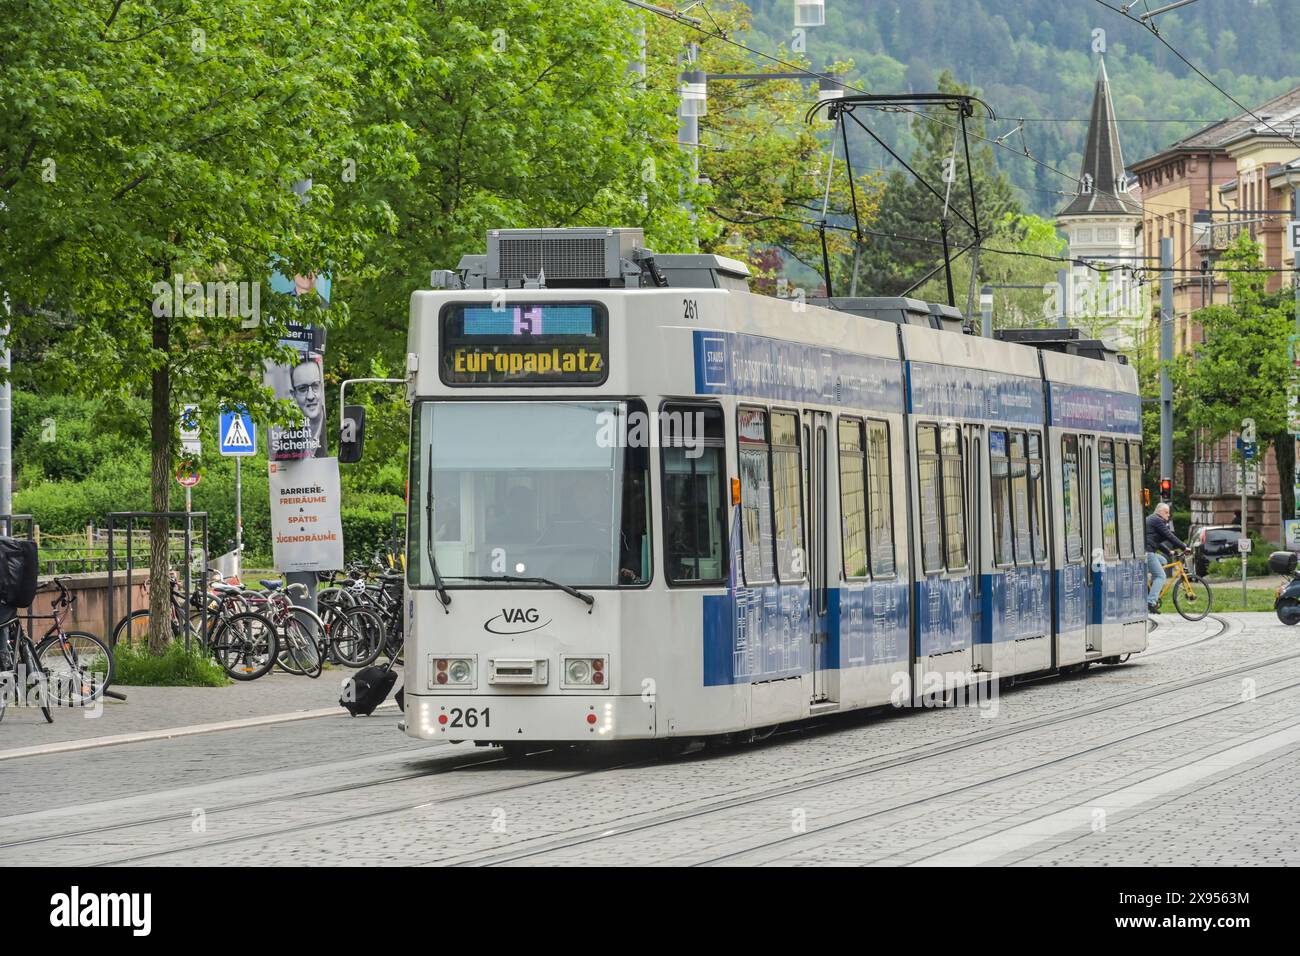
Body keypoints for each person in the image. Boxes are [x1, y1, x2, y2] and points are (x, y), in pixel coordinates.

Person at [1145, 502, 1187, 614]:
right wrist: (1184, 547)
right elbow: (1169, 536)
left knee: (1163, 561)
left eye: (1169, 512)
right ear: (1159, 512)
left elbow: (1156, 542)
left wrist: (1169, 552)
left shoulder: (1153, 520)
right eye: (1166, 512)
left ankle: (1151, 584)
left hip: (1148, 551)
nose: (1168, 515)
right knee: (1161, 576)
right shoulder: (1157, 520)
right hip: (1147, 553)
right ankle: (1151, 602)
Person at [288, 358, 325, 456]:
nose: (310, 396)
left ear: (322, 387)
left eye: (315, 386)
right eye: (302, 389)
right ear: (293, 395)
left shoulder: (336, 429)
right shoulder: (286, 443)